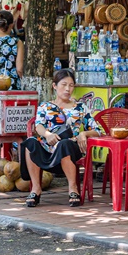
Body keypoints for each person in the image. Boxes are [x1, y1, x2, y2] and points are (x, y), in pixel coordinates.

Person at [20, 69, 103, 207]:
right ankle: (36, 189)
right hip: (48, 146)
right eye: (64, 84)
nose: (67, 89)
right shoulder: (45, 106)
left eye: (71, 85)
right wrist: (48, 134)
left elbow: (97, 130)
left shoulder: (80, 107)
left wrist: (84, 134)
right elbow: (38, 126)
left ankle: (73, 188)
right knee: (30, 143)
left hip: (71, 147)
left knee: (64, 143)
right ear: (54, 86)